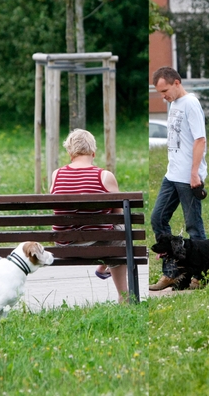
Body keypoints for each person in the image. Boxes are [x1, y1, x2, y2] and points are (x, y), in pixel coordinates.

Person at [50, 128, 128, 302]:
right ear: (93, 152)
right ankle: (124, 294)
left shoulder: (57, 175)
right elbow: (118, 215)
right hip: (99, 246)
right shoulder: (105, 176)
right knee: (121, 229)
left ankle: (103, 268)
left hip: (64, 247)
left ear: (70, 153)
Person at [149, 66, 208, 291]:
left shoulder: (191, 103)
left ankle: (199, 275)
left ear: (176, 82)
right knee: (157, 218)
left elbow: (200, 140)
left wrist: (195, 173)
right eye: (159, 92)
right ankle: (172, 272)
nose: (163, 96)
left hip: (188, 176)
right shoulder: (174, 104)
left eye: (165, 90)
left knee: (194, 225)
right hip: (172, 174)